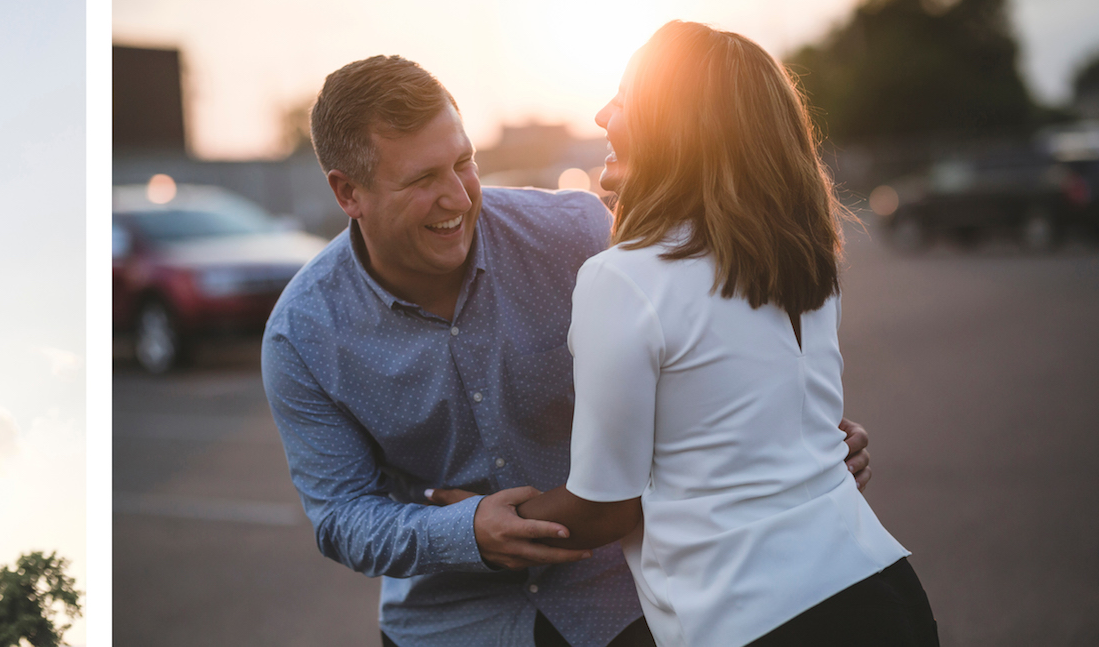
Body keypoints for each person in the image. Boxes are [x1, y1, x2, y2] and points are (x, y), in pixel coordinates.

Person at [261, 55, 876, 647]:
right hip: (448, 624)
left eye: (464, 162)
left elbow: (704, 339)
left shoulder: (579, 233)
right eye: (423, 180)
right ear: (348, 193)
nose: (457, 196)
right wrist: (460, 533)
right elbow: (340, 514)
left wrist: (793, 432)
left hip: (625, 605)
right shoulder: (303, 334)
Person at [513, 21, 936, 647]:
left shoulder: (622, 279)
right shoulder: (801, 257)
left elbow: (608, 508)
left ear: (679, 128)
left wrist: (481, 524)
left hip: (761, 622)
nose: (603, 115)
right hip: (883, 592)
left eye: (626, 98)